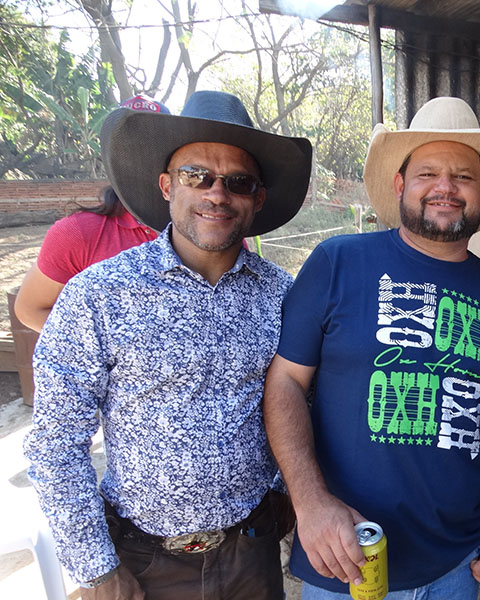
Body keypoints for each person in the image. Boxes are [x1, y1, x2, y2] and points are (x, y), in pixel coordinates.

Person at [23, 90, 312, 599]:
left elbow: (306, 403)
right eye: (197, 175)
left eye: (238, 182)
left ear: (258, 198)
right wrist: (97, 570)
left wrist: (287, 494)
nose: (217, 194)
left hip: (252, 552)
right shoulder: (100, 294)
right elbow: (56, 443)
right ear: (166, 185)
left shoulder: (284, 297)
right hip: (142, 561)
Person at [263, 97, 480, 599]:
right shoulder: (337, 262)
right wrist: (310, 502)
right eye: (427, 173)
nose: (445, 187)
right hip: (344, 556)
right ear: (399, 185)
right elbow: (285, 382)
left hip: (458, 563)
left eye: (463, 176)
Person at [14, 96, 169, 332]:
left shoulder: (209, 226)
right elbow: (30, 309)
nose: (142, 156)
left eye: (156, 145)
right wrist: (99, 344)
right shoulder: (78, 233)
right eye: (129, 146)